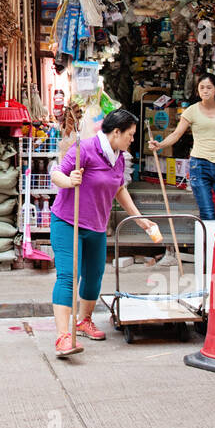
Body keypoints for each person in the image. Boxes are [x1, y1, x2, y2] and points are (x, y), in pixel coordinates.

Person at [48, 109, 156, 358]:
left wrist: (138, 218)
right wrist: (70, 180)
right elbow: (57, 174)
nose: (132, 139)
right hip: (68, 222)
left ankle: (83, 322)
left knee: (94, 275)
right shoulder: (84, 149)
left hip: (96, 225)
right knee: (68, 276)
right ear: (116, 132)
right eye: (129, 134)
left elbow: (119, 188)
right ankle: (63, 337)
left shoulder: (118, 158)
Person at [148, 73, 215, 222]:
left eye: (209, 87)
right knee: (207, 214)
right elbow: (176, 134)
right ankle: (209, 244)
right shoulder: (191, 111)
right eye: (201, 88)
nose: (205, 91)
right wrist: (160, 145)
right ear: (197, 90)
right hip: (199, 166)